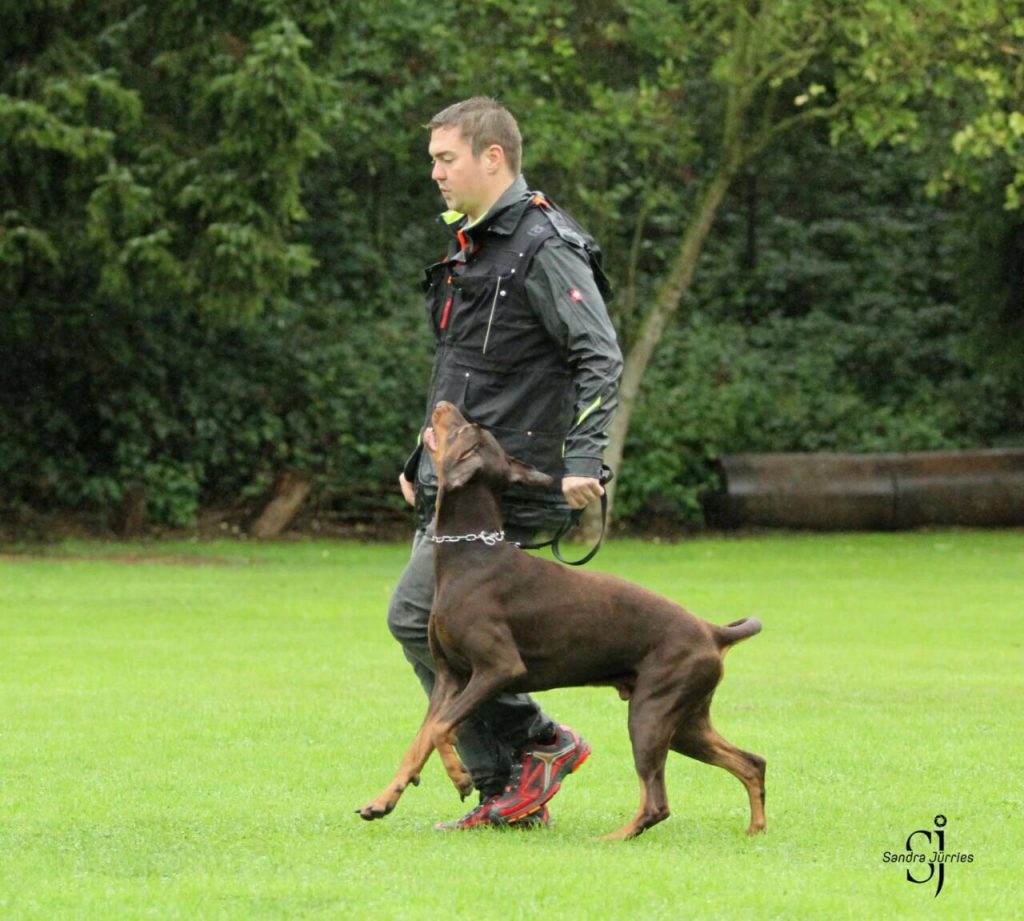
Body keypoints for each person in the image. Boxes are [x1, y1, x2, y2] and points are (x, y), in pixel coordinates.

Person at [387, 96, 623, 830]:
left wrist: (586, 458)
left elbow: (599, 355)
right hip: (454, 482)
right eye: (433, 160)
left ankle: (536, 743)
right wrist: (420, 459)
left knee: (417, 617)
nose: (435, 173)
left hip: (506, 482)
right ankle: (510, 791)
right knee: (431, 627)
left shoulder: (544, 245)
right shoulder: (477, 243)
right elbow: (462, 369)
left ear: (493, 157)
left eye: (446, 158)